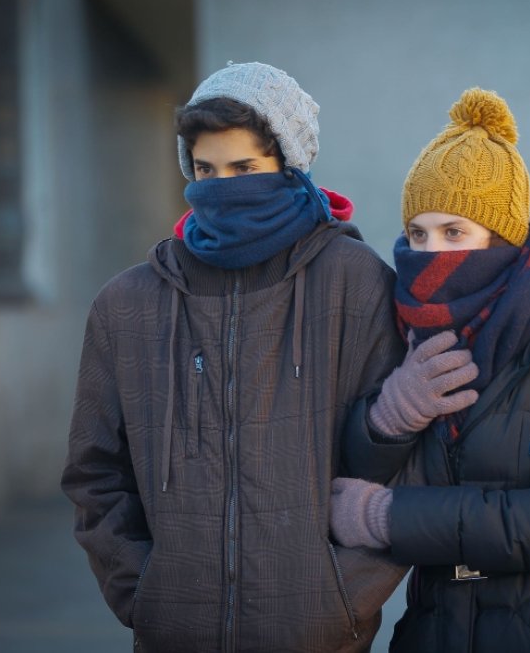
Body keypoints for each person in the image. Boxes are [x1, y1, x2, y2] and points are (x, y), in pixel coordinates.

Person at [61, 62, 457, 652]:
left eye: (244, 168)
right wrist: (143, 594)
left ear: (288, 164)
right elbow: (96, 474)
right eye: (205, 170)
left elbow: (412, 463)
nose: (223, 186)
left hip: (319, 636)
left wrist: (341, 598)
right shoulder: (127, 307)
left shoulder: (357, 285)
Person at [331, 88, 530, 652]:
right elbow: (354, 472)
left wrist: (388, 517)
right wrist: (389, 417)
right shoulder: (405, 336)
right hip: (437, 629)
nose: (431, 254)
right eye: (417, 234)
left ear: (502, 238)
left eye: (455, 233)